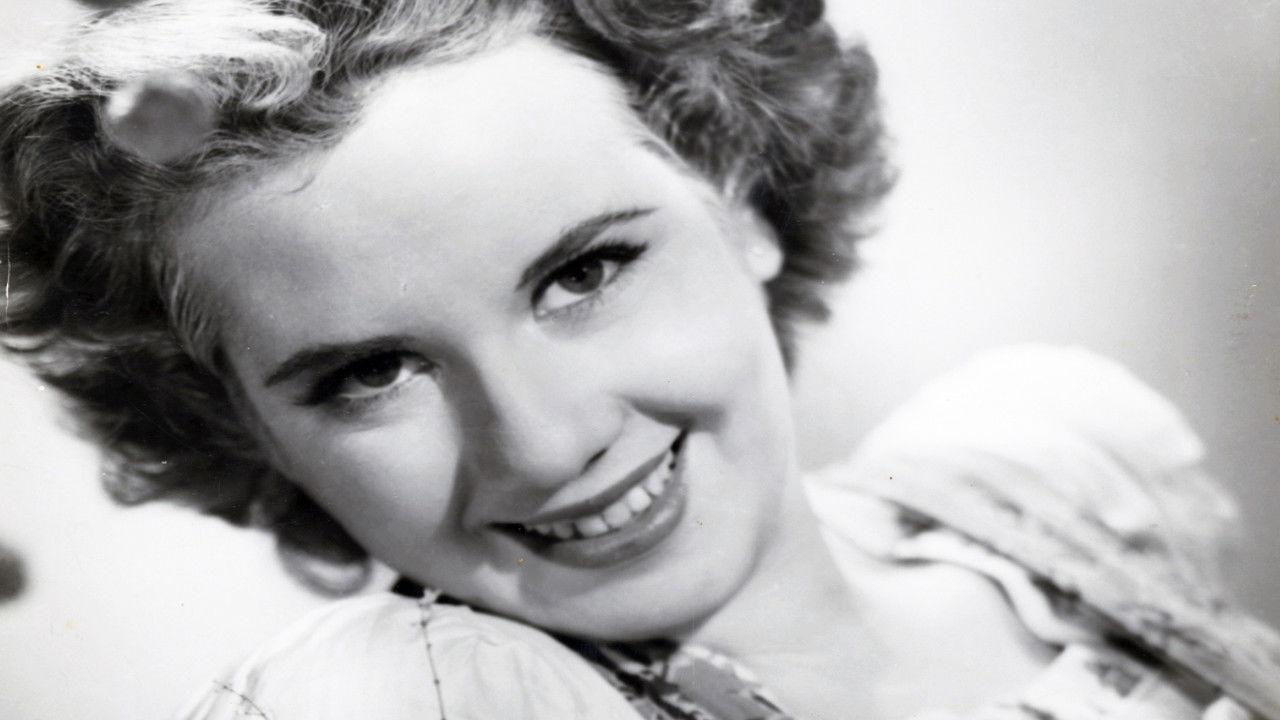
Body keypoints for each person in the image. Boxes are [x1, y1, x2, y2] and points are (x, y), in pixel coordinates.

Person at [1, 1, 1277, 718]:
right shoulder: (420, 700)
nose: (543, 441)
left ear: (744, 200)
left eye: (584, 273)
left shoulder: (1048, 479)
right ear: (239, 426)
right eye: (370, 373)